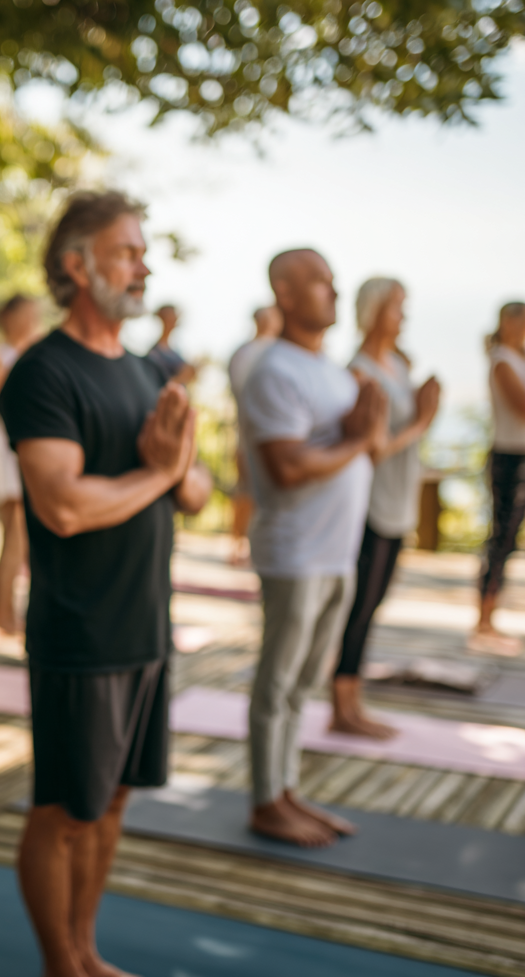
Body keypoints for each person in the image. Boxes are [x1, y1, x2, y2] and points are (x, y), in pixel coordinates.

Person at [0, 191, 210, 977]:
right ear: (76, 266)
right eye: (127, 252)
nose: (143, 265)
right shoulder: (42, 373)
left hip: (147, 626)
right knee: (62, 810)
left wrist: (174, 469)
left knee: (115, 801)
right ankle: (61, 965)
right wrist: (161, 473)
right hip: (79, 632)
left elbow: (198, 488)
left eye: (141, 252)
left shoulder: (154, 369)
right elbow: (61, 507)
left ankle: (87, 952)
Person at [239, 248, 387, 847]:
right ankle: (264, 801)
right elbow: (288, 468)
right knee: (277, 683)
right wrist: (355, 438)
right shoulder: (273, 370)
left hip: (337, 551)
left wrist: (366, 435)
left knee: (302, 686)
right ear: (286, 292)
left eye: (331, 280)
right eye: (321, 281)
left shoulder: (333, 370)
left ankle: (287, 789)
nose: (334, 289)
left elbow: (357, 447)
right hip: (295, 551)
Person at [332, 279, 440, 737]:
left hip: (398, 502)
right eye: (397, 307)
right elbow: (369, 449)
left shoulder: (396, 365)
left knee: (373, 606)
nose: (403, 317)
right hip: (370, 504)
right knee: (357, 608)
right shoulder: (359, 371)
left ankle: (354, 700)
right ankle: (343, 707)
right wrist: (420, 421)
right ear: (375, 311)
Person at [0, 293, 44, 635]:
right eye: (29, 314)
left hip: (25, 447)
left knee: (19, 537)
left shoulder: (38, 350)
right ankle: (2, 615)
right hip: (6, 448)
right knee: (14, 532)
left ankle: (7, 613)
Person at [473, 300, 525, 656]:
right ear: (508, 322)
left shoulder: (517, 358)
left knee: (509, 538)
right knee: (502, 536)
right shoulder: (502, 361)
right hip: (510, 458)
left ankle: (489, 618)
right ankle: (484, 620)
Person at [227, 305, 283, 566]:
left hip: (274, 433)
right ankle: (237, 545)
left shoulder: (280, 351)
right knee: (245, 491)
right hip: (249, 433)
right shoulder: (246, 353)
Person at [146, 304, 196, 384]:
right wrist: (181, 377)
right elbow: (155, 383)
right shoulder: (154, 353)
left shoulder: (176, 350)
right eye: (172, 316)